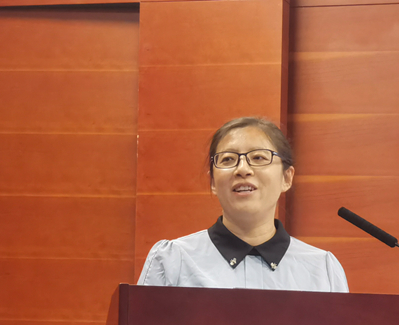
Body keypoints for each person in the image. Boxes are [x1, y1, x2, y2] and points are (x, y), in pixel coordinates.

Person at [137, 117, 349, 292]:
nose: (243, 169)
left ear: (286, 178)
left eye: (259, 157)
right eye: (228, 159)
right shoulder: (173, 261)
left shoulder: (322, 270)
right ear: (213, 182)